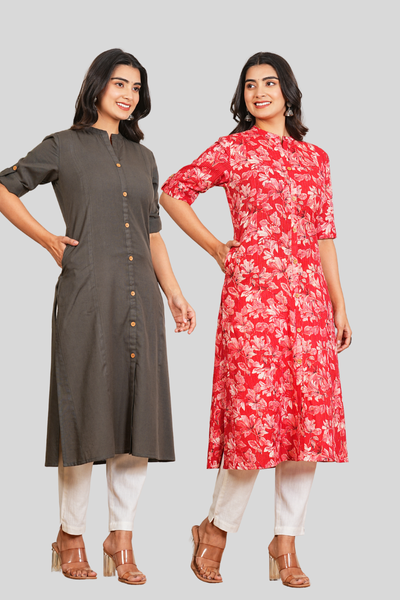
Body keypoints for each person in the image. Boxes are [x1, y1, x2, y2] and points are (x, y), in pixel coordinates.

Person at [0, 48, 195, 585]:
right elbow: (4, 187)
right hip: (87, 294)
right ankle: (70, 535)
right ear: (97, 86)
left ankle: (121, 537)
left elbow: (152, 232)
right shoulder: (62, 145)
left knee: (137, 418)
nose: (128, 94)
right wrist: (46, 239)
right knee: (83, 415)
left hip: (140, 301)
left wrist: (174, 293)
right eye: (119, 83)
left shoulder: (144, 157)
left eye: (136, 87)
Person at [160, 51, 351, 588]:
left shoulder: (316, 159)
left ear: (288, 93)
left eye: (269, 83)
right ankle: (216, 529)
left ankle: (285, 543)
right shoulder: (234, 149)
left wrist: (339, 303)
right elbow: (173, 192)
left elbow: (324, 235)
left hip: (308, 302)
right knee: (252, 421)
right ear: (242, 97)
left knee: (307, 425)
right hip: (252, 302)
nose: (259, 92)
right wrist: (217, 249)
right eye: (249, 85)